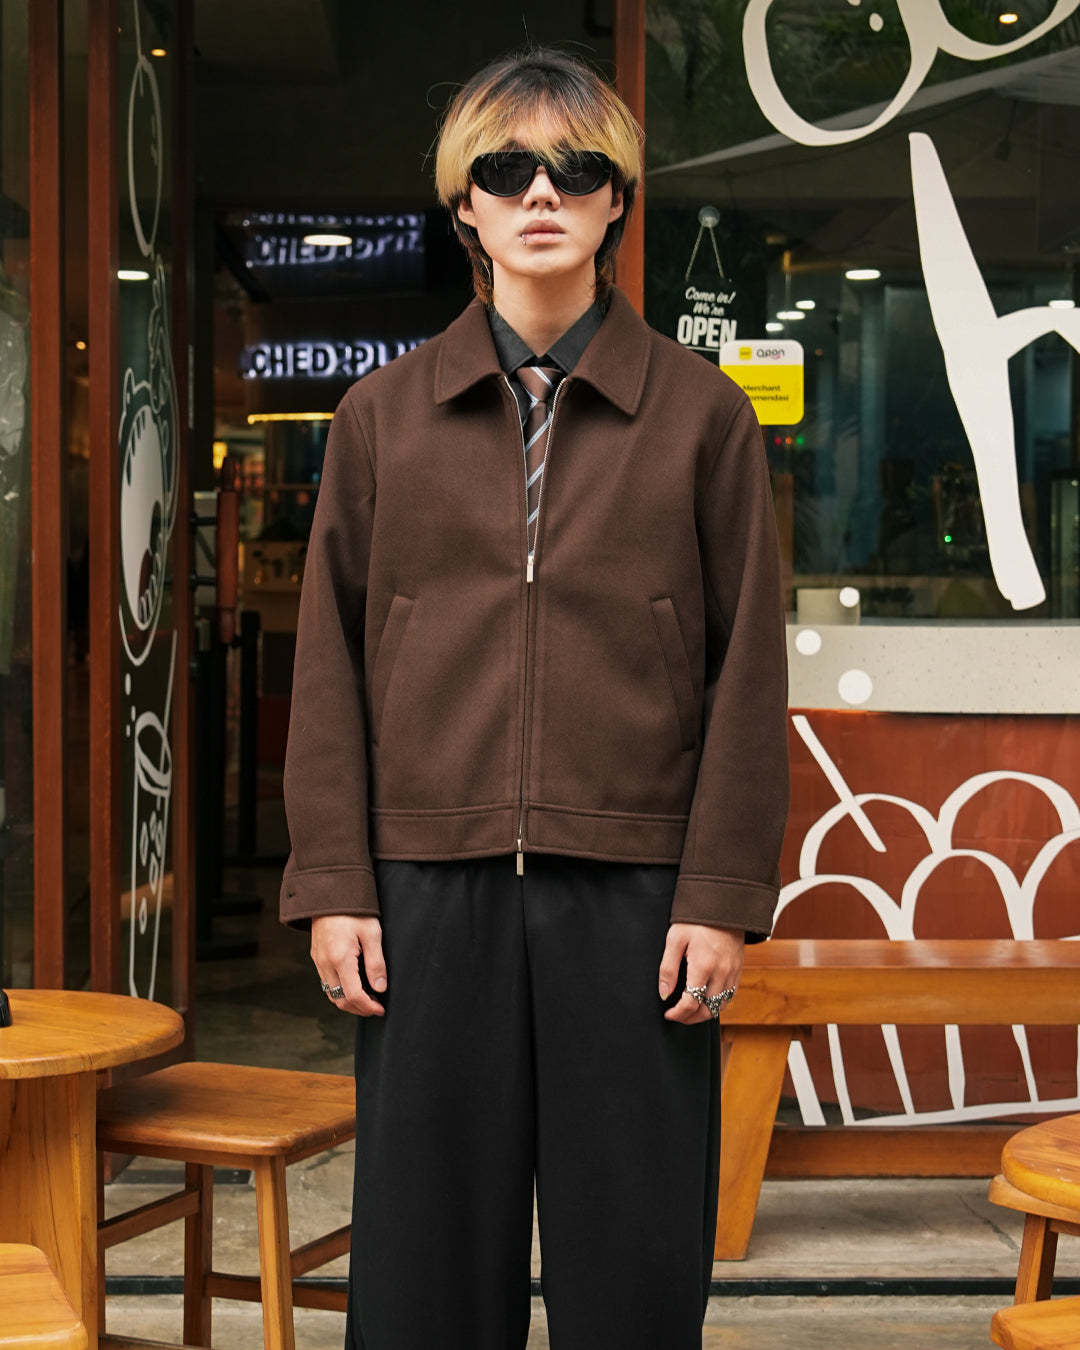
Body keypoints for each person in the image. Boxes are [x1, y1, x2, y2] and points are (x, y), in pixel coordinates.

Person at [279, 43, 790, 1350]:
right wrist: (335, 879)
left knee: (635, 1257)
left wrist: (721, 896)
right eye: (508, 169)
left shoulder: (703, 418)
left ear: (619, 201)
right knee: (424, 1261)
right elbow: (329, 658)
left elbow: (748, 670)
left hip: (636, 895)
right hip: (425, 888)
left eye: (577, 167)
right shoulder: (382, 416)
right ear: (467, 203)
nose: (542, 192)